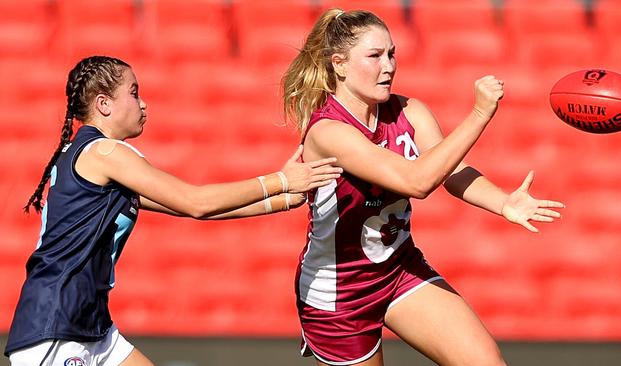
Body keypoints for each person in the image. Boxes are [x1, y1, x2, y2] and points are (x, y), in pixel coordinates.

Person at [5, 55, 342, 366]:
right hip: (56, 327)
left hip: (90, 324)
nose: (143, 103)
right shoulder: (104, 153)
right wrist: (282, 180)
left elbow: (196, 209)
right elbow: (196, 202)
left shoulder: (91, 156)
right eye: (134, 93)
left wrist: (285, 197)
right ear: (103, 104)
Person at [282, 9, 565, 366]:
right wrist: (478, 115)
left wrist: (504, 202)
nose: (388, 66)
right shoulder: (329, 132)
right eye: (374, 56)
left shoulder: (409, 111)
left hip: (399, 268)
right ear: (338, 64)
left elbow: (450, 170)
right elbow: (416, 181)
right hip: (340, 294)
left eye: (391, 53)